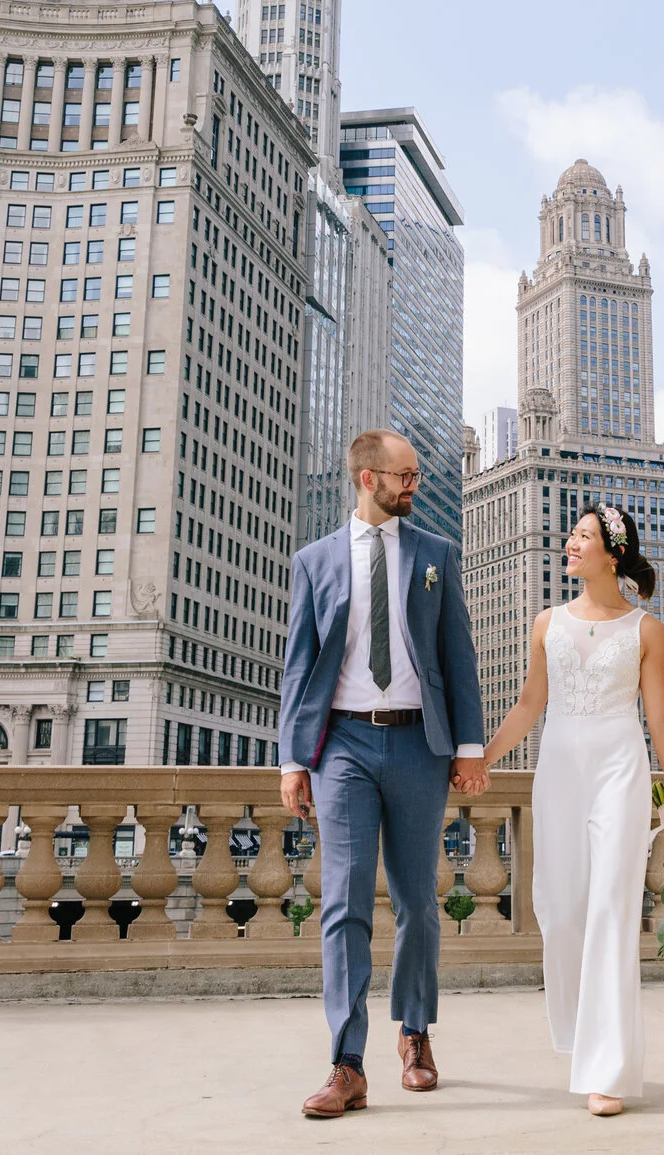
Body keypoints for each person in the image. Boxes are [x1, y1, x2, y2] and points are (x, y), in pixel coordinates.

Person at [279, 429, 487, 1120]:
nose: (414, 485)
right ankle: (347, 1063)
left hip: (418, 747)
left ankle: (415, 1032)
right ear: (367, 479)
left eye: (418, 474)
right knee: (342, 904)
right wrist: (291, 758)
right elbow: (299, 666)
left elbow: (458, 655)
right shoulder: (313, 562)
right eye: (404, 474)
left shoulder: (435, 554)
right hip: (340, 746)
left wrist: (468, 744)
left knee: (417, 903)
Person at [475, 500, 664, 1116]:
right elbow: (527, 706)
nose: (570, 543)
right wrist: (482, 760)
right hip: (561, 771)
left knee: (611, 910)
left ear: (613, 553)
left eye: (583, 536)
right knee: (563, 911)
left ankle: (607, 1069)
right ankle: (579, 1035)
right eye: (571, 534)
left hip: (620, 770)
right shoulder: (548, 623)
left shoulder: (645, 629)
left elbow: (660, 718)